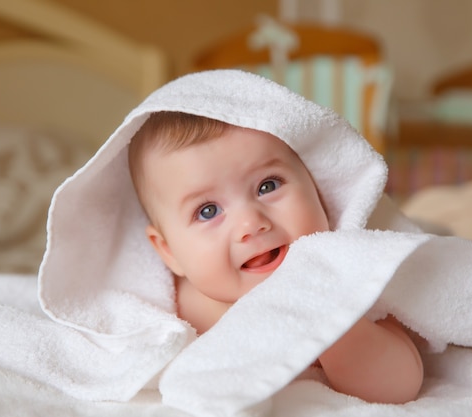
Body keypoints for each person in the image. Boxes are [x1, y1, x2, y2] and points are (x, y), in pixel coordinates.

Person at [127, 110, 424, 404]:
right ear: (169, 252)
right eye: (208, 211)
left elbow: (400, 385)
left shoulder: (347, 273)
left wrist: (332, 321)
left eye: (267, 186)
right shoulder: (172, 316)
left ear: (318, 187)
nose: (250, 223)